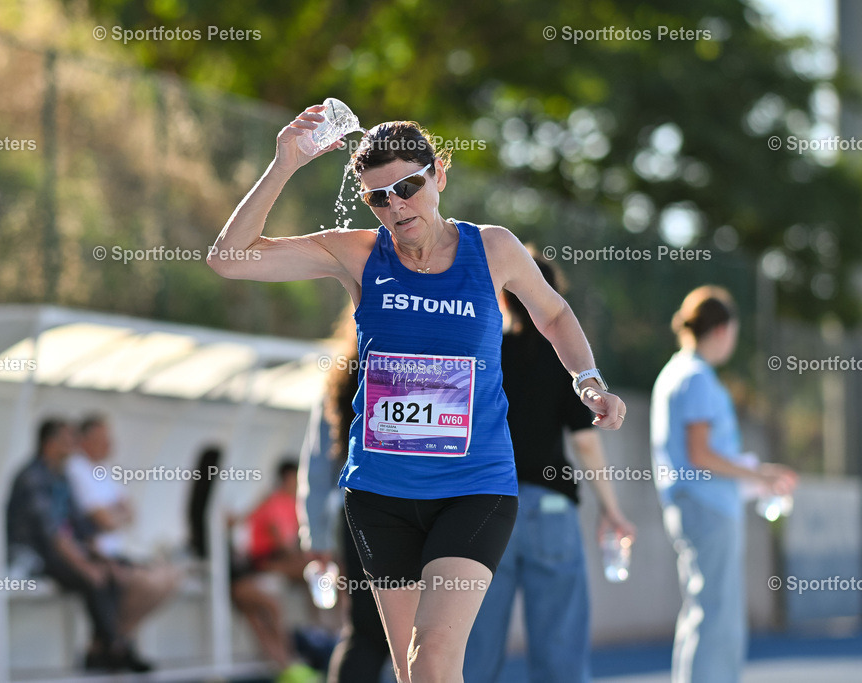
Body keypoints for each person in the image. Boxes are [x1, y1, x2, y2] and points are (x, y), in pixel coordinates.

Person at [208, 107, 626, 683]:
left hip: (474, 488)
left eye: (408, 187)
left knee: (433, 658)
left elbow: (553, 314)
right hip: (381, 493)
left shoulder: (494, 249)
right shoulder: (357, 255)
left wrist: (587, 378)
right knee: (408, 671)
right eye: (379, 198)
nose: (396, 206)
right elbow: (228, 259)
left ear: (439, 177)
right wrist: (284, 164)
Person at [464, 251, 637, 683]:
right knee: (560, 649)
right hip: (550, 510)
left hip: (486, 509)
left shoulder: (484, 350)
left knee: (474, 648)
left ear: (504, 298)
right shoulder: (562, 355)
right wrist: (611, 510)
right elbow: (585, 443)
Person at [651, 286, 798, 683]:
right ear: (721, 330)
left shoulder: (675, 372)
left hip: (695, 504)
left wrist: (755, 475)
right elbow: (700, 453)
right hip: (706, 507)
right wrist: (761, 475)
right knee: (717, 617)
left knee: (706, 612)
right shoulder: (696, 376)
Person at [6, 418, 150, 673]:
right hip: (35, 556)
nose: (74, 445)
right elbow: (52, 536)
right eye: (68, 440)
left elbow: (78, 528)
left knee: (114, 573)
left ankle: (102, 648)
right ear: (50, 444)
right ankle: (113, 646)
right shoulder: (32, 477)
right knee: (93, 579)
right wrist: (87, 567)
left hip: (62, 551)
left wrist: (105, 560)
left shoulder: (61, 477)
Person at [299, 306, 390, 683]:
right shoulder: (413, 373)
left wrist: (316, 539)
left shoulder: (339, 380)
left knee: (364, 631)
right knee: (403, 633)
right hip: (397, 512)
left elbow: (317, 467)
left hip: (351, 517)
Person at [187, 446, 319, 683]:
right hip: (231, 578)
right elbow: (232, 526)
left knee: (257, 617)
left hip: (232, 575)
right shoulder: (208, 509)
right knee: (270, 608)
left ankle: (284, 665)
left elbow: (233, 524)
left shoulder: (204, 507)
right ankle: (288, 663)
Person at [64, 415, 181, 648]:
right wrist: (113, 516)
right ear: (84, 441)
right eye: (102, 439)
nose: (109, 444)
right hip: (99, 554)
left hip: (119, 551)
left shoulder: (103, 470)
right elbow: (105, 520)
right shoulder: (76, 469)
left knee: (172, 576)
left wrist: (111, 516)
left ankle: (115, 637)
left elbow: (129, 513)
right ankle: (112, 639)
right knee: (147, 583)